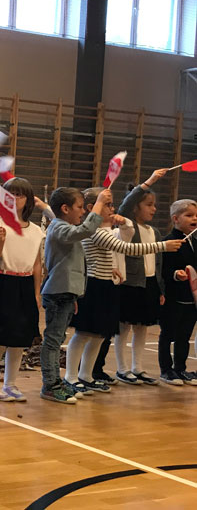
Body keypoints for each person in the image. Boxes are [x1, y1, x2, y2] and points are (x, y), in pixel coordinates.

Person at [65, 187, 179, 397]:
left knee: (99, 335)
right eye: (107, 204)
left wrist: (112, 268)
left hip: (106, 285)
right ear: (91, 207)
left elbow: (114, 249)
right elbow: (126, 248)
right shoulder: (94, 231)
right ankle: (70, 377)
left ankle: (86, 376)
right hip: (93, 287)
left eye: (112, 204)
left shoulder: (105, 230)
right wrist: (162, 246)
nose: (112, 208)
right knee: (83, 334)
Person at [0, 178, 44, 402]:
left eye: (20, 194)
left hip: (25, 283)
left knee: (20, 338)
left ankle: (10, 384)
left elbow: (37, 264)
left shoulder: (36, 231)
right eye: (10, 194)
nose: (14, 198)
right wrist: (1, 240)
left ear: (28, 200)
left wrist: (36, 292)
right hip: (1, 282)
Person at [39, 187, 107, 404]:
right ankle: (50, 385)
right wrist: (99, 204)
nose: (83, 212)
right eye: (80, 207)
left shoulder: (65, 226)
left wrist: (75, 294)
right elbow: (85, 230)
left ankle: (56, 383)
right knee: (52, 341)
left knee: (58, 339)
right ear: (65, 209)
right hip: (57, 292)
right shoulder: (59, 227)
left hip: (67, 293)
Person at [114, 169, 171, 385]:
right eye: (149, 204)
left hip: (149, 284)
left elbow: (158, 263)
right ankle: (122, 369)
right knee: (123, 328)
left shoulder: (154, 232)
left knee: (142, 328)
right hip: (130, 285)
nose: (154, 209)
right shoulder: (127, 225)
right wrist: (150, 181)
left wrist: (160, 289)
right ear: (136, 206)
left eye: (154, 205)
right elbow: (124, 207)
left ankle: (137, 368)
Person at [160, 199, 197, 385]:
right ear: (175, 219)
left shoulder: (194, 242)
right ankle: (166, 370)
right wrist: (176, 274)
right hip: (173, 297)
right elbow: (163, 269)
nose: (195, 218)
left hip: (192, 298)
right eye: (189, 215)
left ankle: (180, 368)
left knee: (184, 335)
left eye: (196, 215)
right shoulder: (168, 242)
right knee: (168, 334)